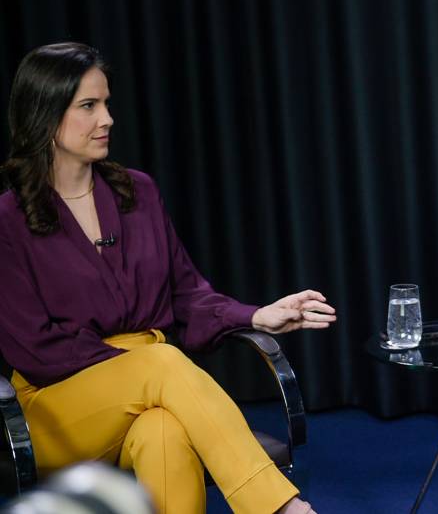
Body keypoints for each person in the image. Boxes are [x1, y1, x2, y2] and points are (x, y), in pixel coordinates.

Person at [0, 42, 337, 514]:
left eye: (107, 103)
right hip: (57, 410)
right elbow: (34, 349)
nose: (108, 119)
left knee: (165, 429)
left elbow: (186, 293)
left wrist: (259, 315)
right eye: (89, 106)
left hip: (154, 384)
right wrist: (137, 363)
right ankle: (281, 508)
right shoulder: (9, 220)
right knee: (161, 363)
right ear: (45, 116)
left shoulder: (137, 192)